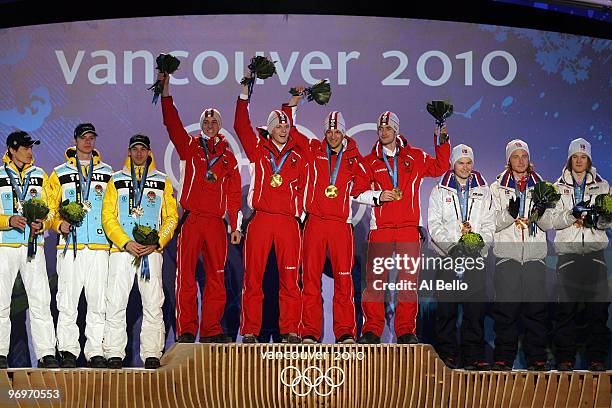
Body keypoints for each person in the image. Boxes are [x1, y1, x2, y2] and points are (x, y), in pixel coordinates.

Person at [281, 89, 395, 344]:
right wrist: (293, 104)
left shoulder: (354, 159)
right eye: (329, 132)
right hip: (314, 223)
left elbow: (362, 189)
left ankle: (345, 332)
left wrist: (378, 197)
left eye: (337, 131)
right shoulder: (312, 150)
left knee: (344, 280)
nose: (332, 135)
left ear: (344, 132)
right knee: (310, 279)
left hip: (341, 225)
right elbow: (293, 131)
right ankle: (310, 331)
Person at [159, 73, 242, 343]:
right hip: (193, 220)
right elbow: (172, 124)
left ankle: (211, 329)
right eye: (205, 122)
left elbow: (232, 194)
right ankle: (185, 330)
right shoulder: (190, 147)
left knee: (217, 277)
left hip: (217, 223)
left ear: (219, 126)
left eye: (213, 122)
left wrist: (235, 225)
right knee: (185, 276)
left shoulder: (229, 156)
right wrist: (166, 92)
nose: (209, 125)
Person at [359, 111, 451, 344]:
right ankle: (371, 329)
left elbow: (440, 166)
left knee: (408, 283)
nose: (384, 132)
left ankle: (405, 330)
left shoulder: (415, 157)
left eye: (388, 128)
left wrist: (441, 140)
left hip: (409, 229)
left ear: (396, 130)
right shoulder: (369, 161)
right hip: (381, 228)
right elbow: (357, 192)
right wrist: (379, 196)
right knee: (375, 282)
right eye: (380, 129)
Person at [233, 78, 308, 343]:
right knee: (253, 278)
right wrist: (244, 93)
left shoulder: (299, 154)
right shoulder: (258, 149)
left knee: (290, 278)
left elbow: (306, 184)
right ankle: (251, 330)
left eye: (286, 126)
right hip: (261, 219)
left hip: (288, 222)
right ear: (270, 129)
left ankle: (290, 329)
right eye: (279, 126)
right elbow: (240, 126)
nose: (283, 130)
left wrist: (293, 106)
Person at [101, 134, 178, 369]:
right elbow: (108, 217)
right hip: (122, 252)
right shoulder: (116, 180)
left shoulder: (162, 181)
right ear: (129, 151)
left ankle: (152, 353)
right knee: (115, 302)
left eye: (143, 149)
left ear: (149, 151)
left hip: (151, 253)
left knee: (153, 303)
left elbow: (171, 218)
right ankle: (114, 353)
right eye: (134, 149)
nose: (138, 153)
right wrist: (125, 242)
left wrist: (157, 242)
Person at [47, 123, 113, 368]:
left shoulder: (108, 173)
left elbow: (112, 210)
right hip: (69, 246)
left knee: (98, 302)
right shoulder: (59, 173)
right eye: (83, 137)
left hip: (98, 246)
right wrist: (57, 224)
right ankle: (68, 351)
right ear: (75, 140)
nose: (88, 141)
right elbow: (51, 209)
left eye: (91, 137)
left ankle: (95, 350)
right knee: (67, 302)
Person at [427, 144, 495, 369]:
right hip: (448, 257)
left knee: (474, 311)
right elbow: (434, 225)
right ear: (453, 164)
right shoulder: (439, 190)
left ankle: (472, 355)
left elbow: (489, 223)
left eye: (468, 163)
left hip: (474, 257)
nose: (465, 167)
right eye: (460, 163)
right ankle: (447, 355)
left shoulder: (484, 190)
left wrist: (477, 243)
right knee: (446, 310)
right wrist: (452, 246)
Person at [489, 139, 554, 371]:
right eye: (515, 156)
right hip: (508, 256)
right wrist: (509, 214)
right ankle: (503, 358)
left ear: (529, 159)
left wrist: (541, 213)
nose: (520, 161)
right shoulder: (496, 188)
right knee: (506, 311)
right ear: (509, 160)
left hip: (535, 256)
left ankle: (536, 357)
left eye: (524, 156)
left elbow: (550, 224)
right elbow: (491, 224)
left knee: (536, 311)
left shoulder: (542, 186)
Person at [551, 138, 610, 371]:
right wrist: (570, 216)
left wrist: (597, 220)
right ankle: (564, 359)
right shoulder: (557, 187)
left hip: (595, 254)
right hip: (568, 256)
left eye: (583, 157)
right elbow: (551, 221)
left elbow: (609, 219)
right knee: (566, 312)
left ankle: (597, 359)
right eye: (575, 157)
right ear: (569, 159)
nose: (579, 161)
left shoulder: (603, 186)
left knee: (598, 312)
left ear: (589, 160)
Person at [0, 131, 58, 368]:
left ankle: (46, 353)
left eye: (31, 146)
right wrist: (7, 220)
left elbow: (53, 209)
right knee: (1, 301)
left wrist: (43, 224)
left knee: (41, 301)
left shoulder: (39, 175)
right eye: (25, 147)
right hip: (5, 247)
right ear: (12, 150)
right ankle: (1, 353)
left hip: (34, 246)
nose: (30, 151)